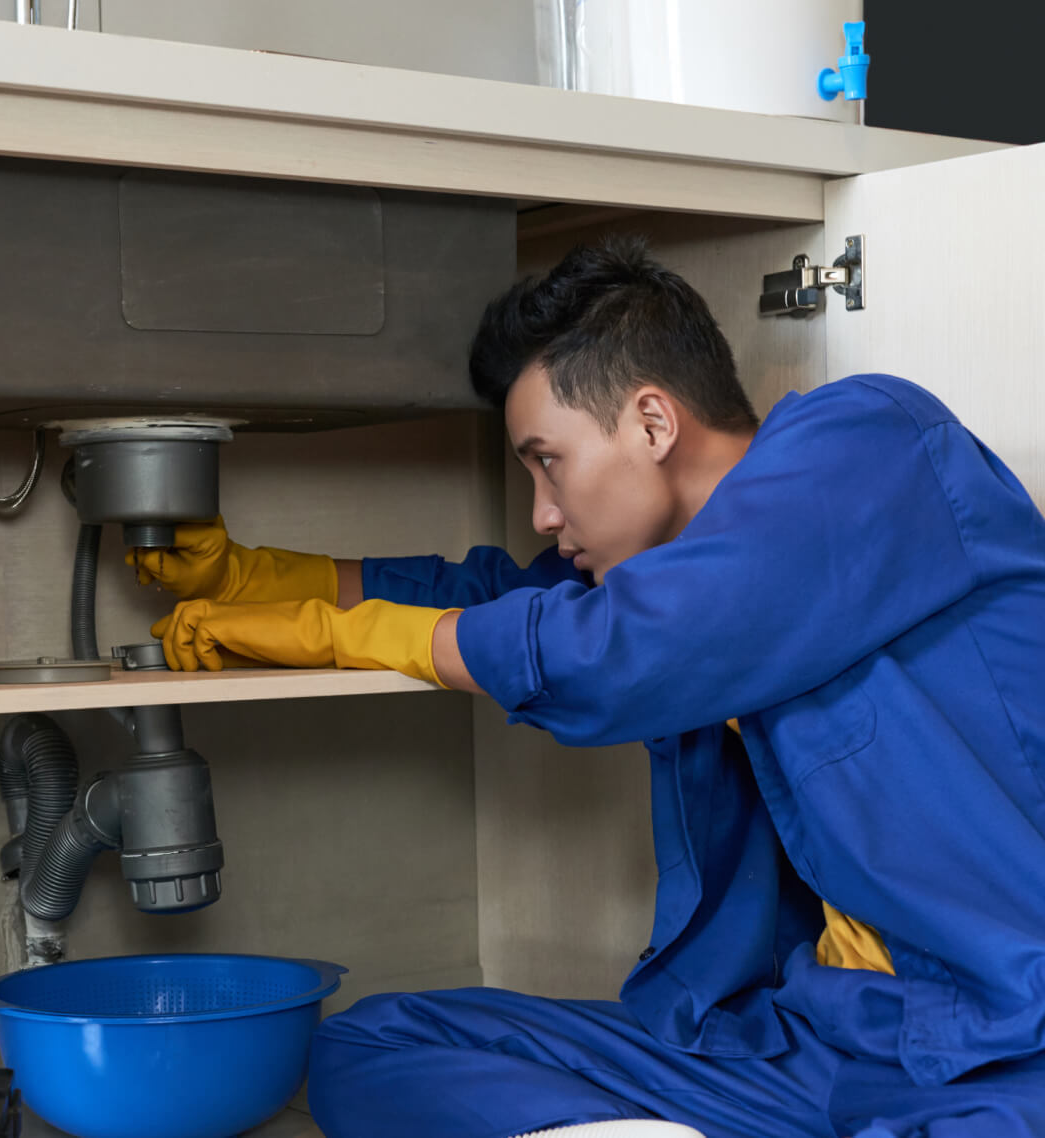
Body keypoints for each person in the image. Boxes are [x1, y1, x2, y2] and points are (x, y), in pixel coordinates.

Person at [128, 238, 1045, 1138]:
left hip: (1009, 1052)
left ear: (652, 422)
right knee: (371, 1046)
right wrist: (260, 578)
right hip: (821, 1044)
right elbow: (500, 599)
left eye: (547, 461)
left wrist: (350, 636)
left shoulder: (871, 445)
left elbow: (617, 649)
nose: (542, 510)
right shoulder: (672, 573)